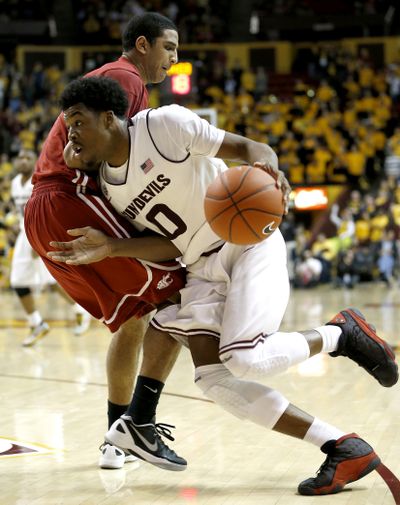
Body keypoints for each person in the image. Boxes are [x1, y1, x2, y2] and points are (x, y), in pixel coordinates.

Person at [48, 75, 398, 496]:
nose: (70, 133)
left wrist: (269, 171)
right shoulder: (108, 186)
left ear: (108, 118)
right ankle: (343, 447)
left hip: (246, 240)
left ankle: (339, 333)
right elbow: (168, 244)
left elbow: (252, 148)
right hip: (200, 266)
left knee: (245, 358)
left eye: (77, 121)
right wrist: (112, 248)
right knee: (212, 378)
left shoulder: (164, 126)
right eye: (67, 126)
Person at [24, 13, 188, 471]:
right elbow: (121, 157)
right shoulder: (125, 77)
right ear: (142, 44)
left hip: (48, 209)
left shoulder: (114, 80)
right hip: (69, 198)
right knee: (180, 290)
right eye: (169, 48)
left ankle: (118, 439)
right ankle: (141, 421)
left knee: (134, 319)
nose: (174, 60)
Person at [9, 148, 91, 347]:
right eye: (21, 157)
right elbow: (20, 208)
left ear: (35, 161)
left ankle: (78, 310)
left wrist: (36, 242)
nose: (23, 160)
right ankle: (70, 313)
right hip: (24, 233)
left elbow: (44, 209)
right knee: (32, 282)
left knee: (43, 281)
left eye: (28, 157)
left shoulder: (37, 181)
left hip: (37, 233)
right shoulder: (14, 183)